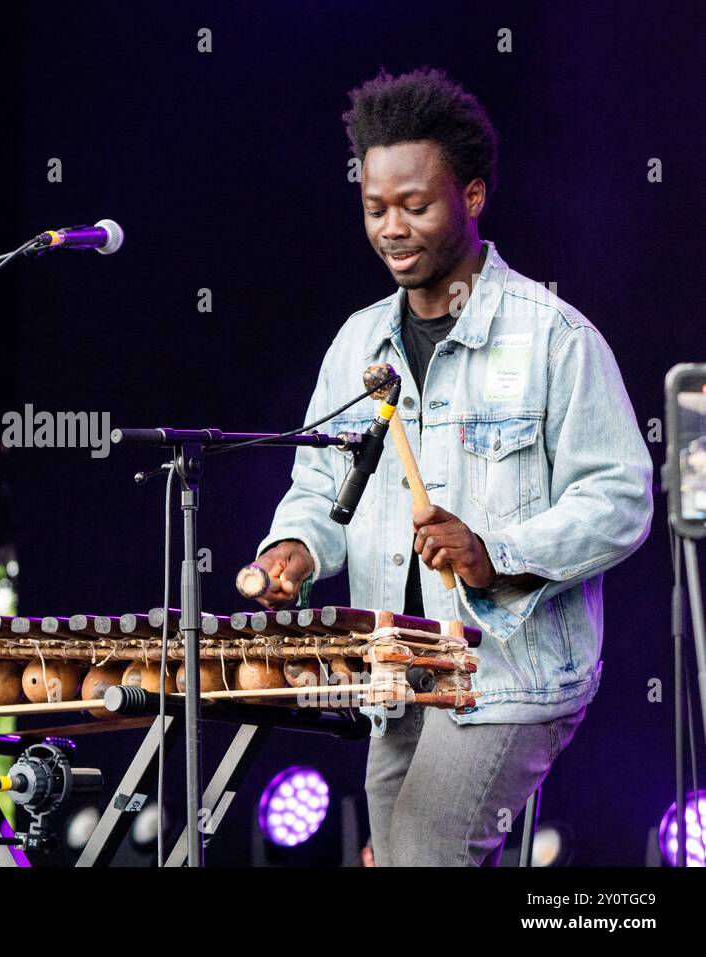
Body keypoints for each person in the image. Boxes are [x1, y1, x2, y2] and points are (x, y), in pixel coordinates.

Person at [253, 68, 653, 866]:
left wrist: (494, 551)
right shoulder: (358, 345)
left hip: (506, 673)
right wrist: (292, 550)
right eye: (375, 208)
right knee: (398, 854)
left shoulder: (553, 338)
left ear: (471, 197)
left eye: (415, 205)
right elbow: (321, 489)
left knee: (424, 849)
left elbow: (620, 498)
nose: (392, 228)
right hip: (397, 672)